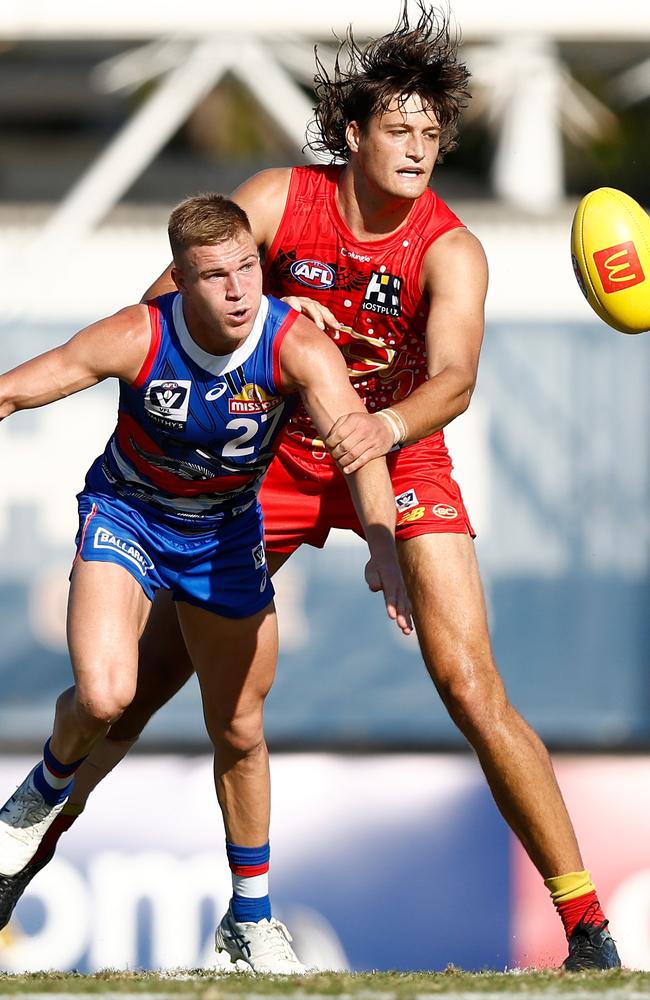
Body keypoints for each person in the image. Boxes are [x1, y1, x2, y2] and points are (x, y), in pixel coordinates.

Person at [0, 3, 621, 973]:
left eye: (431, 132)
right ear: (351, 135)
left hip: (395, 450)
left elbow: (451, 381)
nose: (418, 147)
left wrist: (378, 432)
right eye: (399, 128)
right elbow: (170, 305)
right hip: (273, 460)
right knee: (128, 697)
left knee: (467, 681)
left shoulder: (450, 247)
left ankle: (585, 925)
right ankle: (12, 876)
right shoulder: (282, 201)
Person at [0, 194, 410, 974]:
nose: (237, 290)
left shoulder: (297, 348)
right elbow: (17, 388)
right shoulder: (136, 334)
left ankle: (249, 921)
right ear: (179, 283)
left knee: (241, 729)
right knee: (104, 697)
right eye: (214, 276)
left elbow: (358, 445)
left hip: (223, 533)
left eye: (248, 268)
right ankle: (37, 793)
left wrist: (384, 547)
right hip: (128, 517)